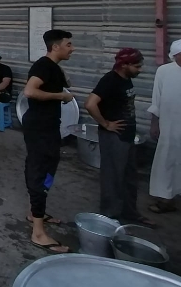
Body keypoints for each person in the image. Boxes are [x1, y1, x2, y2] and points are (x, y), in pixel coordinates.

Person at [85, 48, 153, 226]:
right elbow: (90, 104)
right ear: (124, 65)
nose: (140, 70)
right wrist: (106, 124)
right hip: (113, 137)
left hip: (127, 136)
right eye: (137, 66)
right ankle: (110, 219)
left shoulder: (126, 79)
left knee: (130, 177)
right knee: (113, 177)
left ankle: (130, 213)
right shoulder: (110, 80)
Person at [22, 29, 74, 254]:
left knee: (44, 168)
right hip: (40, 129)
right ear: (55, 47)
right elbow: (29, 92)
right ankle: (38, 233)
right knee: (40, 171)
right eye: (68, 45)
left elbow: (66, 82)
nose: (72, 48)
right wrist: (60, 96)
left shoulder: (52, 67)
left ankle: (35, 213)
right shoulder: (43, 66)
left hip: (47, 127)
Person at [148, 39, 181, 214]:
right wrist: (154, 123)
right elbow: (156, 100)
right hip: (168, 125)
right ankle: (166, 199)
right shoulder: (164, 71)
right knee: (166, 161)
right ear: (175, 56)